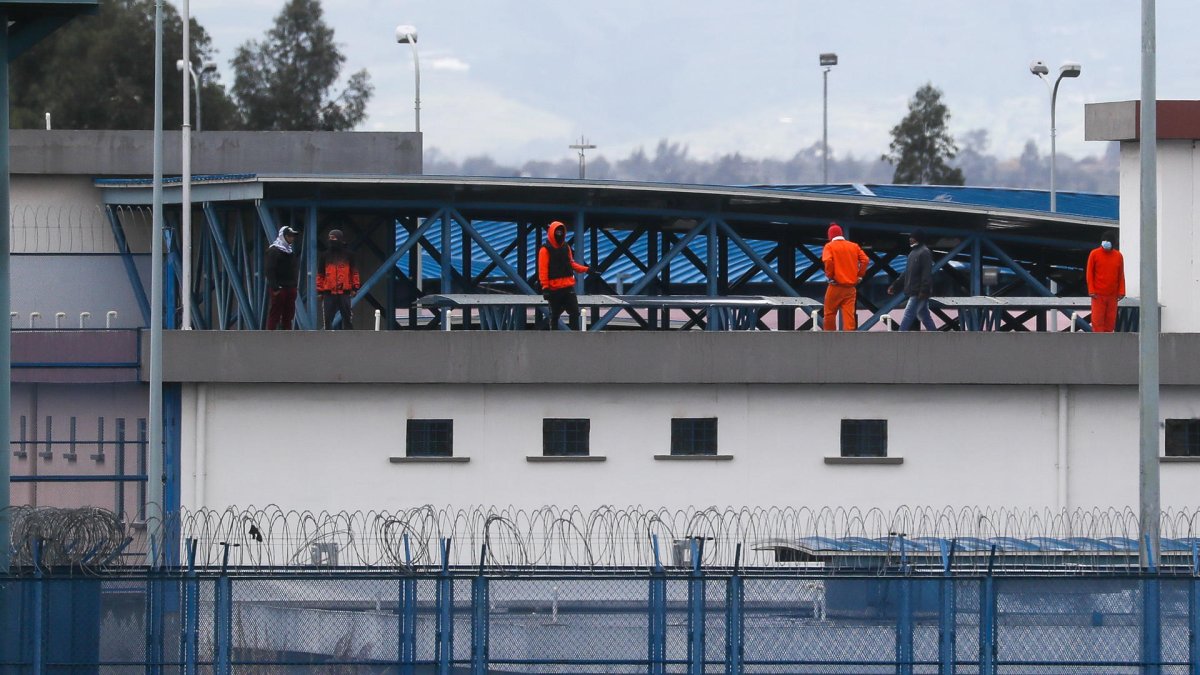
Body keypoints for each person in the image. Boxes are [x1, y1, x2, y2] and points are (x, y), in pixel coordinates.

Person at [538, 220, 589, 330]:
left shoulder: (566, 247)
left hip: (567, 287)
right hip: (554, 288)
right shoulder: (545, 250)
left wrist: (587, 270)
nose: (559, 235)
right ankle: (554, 339)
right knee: (554, 316)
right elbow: (543, 270)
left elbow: (571, 264)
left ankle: (574, 337)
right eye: (557, 232)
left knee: (575, 312)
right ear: (552, 232)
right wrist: (545, 287)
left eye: (561, 232)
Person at [820, 223, 869, 331]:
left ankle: (830, 336)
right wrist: (860, 275)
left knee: (829, 313)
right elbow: (865, 260)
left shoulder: (829, 246)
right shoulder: (854, 246)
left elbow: (828, 260)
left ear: (830, 236)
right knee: (848, 314)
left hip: (835, 286)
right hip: (850, 288)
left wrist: (830, 276)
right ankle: (849, 338)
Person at [888, 228, 937, 331]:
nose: (910, 239)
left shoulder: (925, 252)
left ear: (918, 238)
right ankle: (937, 337)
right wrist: (895, 285)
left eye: (913, 237)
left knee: (908, 314)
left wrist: (924, 290)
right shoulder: (912, 253)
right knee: (924, 316)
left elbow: (926, 273)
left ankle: (899, 337)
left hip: (918, 292)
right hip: (914, 291)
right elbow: (906, 273)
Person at [316, 229, 361, 330]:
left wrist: (355, 287)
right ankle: (328, 339)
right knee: (327, 318)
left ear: (339, 238)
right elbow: (320, 275)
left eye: (333, 238)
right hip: (328, 292)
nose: (331, 240)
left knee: (347, 317)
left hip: (344, 291)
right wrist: (319, 291)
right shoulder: (325, 255)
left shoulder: (349, 255)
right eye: (330, 238)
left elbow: (354, 273)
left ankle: (349, 338)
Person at [1086, 230, 1125, 333]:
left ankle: (1107, 343)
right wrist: (1091, 290)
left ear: (1113, 243)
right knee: (1097, 322)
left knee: (1110, 322)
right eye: (1105, 240)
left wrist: (1121, 291)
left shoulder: (1118, 256)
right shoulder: (1094, 254)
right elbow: (1089, 273)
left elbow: (1120, 275)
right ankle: (1099, 344)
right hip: (1098, 295)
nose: (1106, 242)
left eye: (1108, 241)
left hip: (1113, 295)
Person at [264, 225, 299, 330]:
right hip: (279, 287)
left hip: (290, 287)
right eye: (289, 236)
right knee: (275, 312)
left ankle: (287, 336)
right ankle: (271, 334)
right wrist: (275, 287)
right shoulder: (273, 251)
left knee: (289, 313)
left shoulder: (290, 252)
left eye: (293, 236)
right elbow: (270, 269)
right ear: (283, 236)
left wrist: (294, 285)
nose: (291, 238)